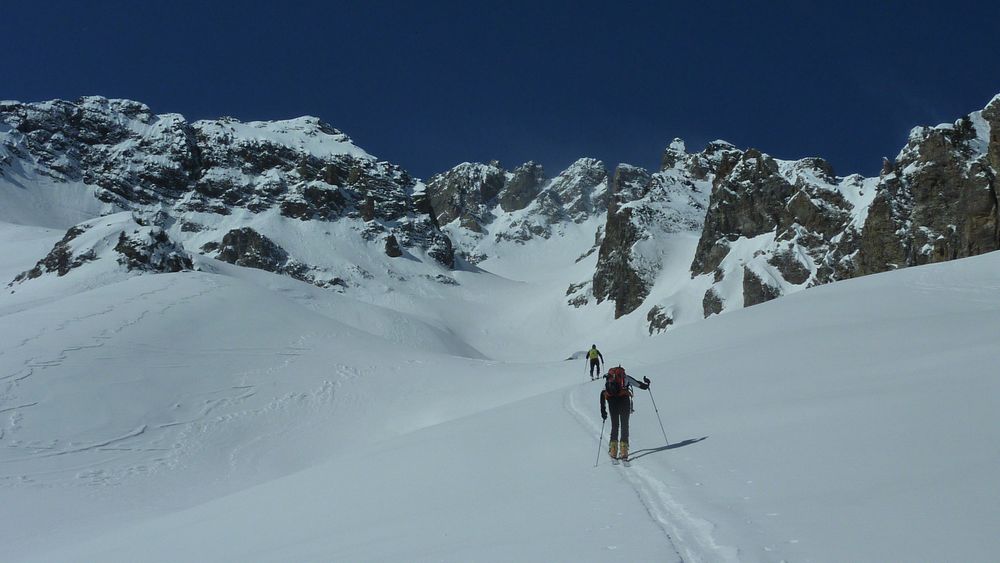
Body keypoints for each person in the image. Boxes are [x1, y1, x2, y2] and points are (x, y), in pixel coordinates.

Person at [600, 366, 650, 461]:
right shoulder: (625, 377)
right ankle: (624, 451)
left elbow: (603, 393)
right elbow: (640, 385)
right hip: (624, 402)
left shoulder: (608, 379)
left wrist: (603, 410)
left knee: (615, 426)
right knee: (624, 426)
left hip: (612, 403)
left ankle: (613, 451)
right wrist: (647, 383)